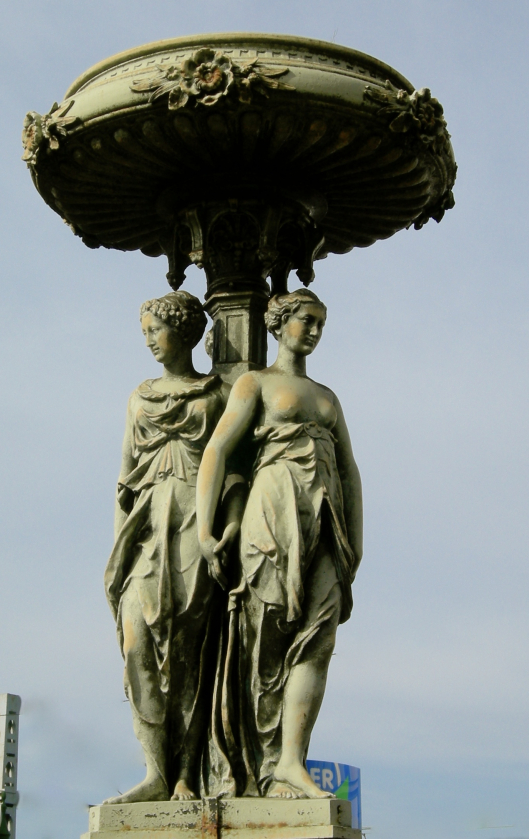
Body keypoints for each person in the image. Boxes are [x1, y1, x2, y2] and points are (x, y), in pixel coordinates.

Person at [196, 288, 363, 799]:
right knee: (264, 639)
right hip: (271, 514)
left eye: (320, 323)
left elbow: (351, 472)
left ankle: (292, 761)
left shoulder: (328, 397)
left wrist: (355, 541)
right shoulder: (256, 383)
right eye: (305, 320)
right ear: (279, 322)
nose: (313, 330)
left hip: (325, 520)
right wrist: (205, 529)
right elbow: (218, 451)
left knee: (318, 639)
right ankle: (255, 765)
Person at [104, 290, 242, 803]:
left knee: (189, 652)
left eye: (153, 330)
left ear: (183, 331)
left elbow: (234, 471)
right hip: (145, 527)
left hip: (193, 524)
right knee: (137, 644)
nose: (148, 341)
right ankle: (152, 770)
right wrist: (117, 550)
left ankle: (185, 771)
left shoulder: (215, 395)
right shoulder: (139, 397)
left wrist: (223, 528)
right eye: (143, 333)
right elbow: (123, 478)